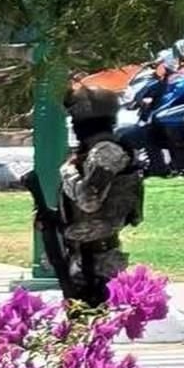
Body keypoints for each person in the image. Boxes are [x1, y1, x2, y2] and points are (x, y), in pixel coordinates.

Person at [61, 86, 144, 307]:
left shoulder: (106, 151)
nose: (73, 123)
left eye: (76, 117)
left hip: (99, 260)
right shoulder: (95, 150)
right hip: (85, 254)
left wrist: (67, 172)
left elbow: (89, 201)